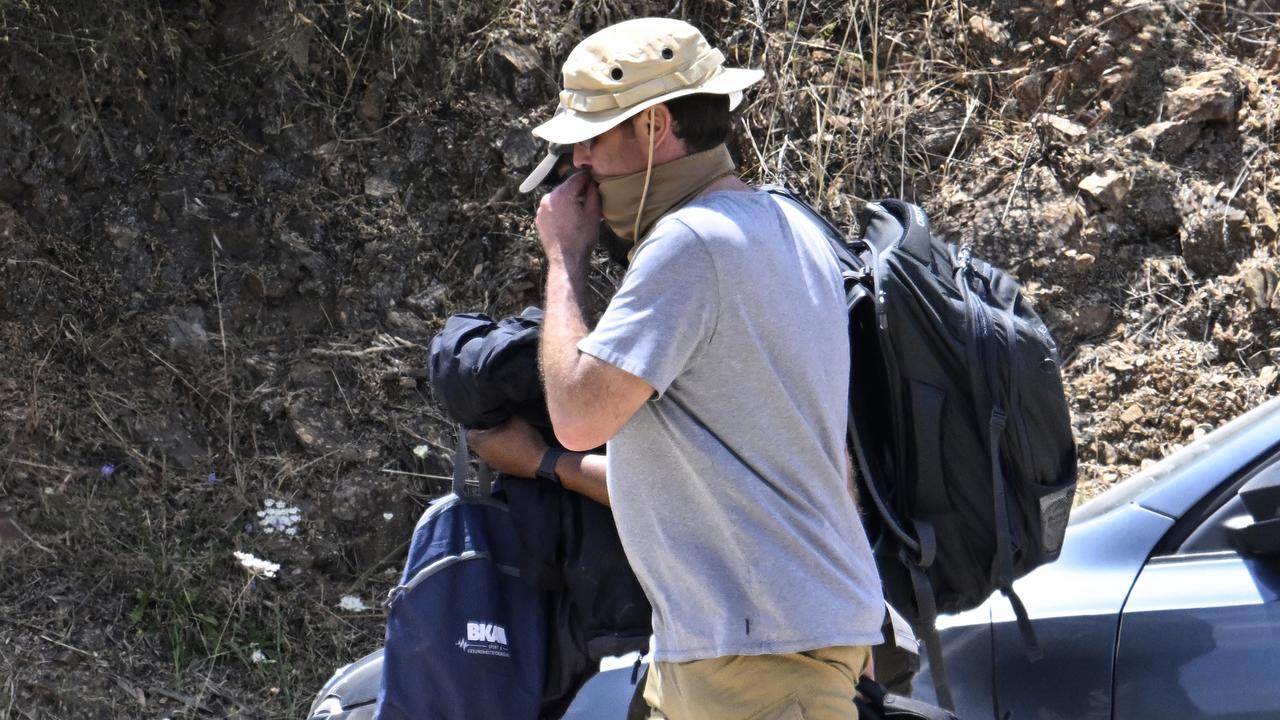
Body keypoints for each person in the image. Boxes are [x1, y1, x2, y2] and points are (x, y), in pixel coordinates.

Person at [471, 17, 885, 719]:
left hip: (756, 656)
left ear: (656, 125)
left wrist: (565, 259)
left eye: (592, 142)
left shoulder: (692, 244)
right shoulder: (786, 226)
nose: (580, 169)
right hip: (773, 639)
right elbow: (814, 462)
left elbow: (578, 415)